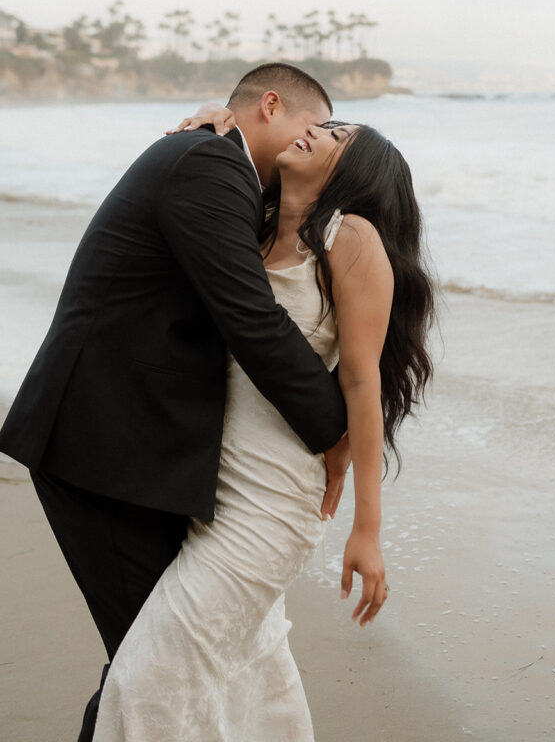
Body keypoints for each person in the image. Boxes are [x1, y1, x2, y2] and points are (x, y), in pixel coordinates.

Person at [0, 64, 353, 742]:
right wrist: (337, 432)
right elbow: (250, 318)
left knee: (162, 665)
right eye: (311, 130)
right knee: (150, 669)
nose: (318, 150)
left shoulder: (215, 164)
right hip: (102, 447)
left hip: (136, 447)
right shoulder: (206, 164)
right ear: (269, 106)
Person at [90, 100, 435, 740]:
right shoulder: (256, 225)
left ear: (352, 172)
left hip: (272, 503)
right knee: (252, 674)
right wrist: (217, 119)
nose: (311, 129)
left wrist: (368, 529)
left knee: (146, 681)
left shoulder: (351, 238)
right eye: (318, 122)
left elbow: (363, 381)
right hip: (209, 490)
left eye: (333, 134)